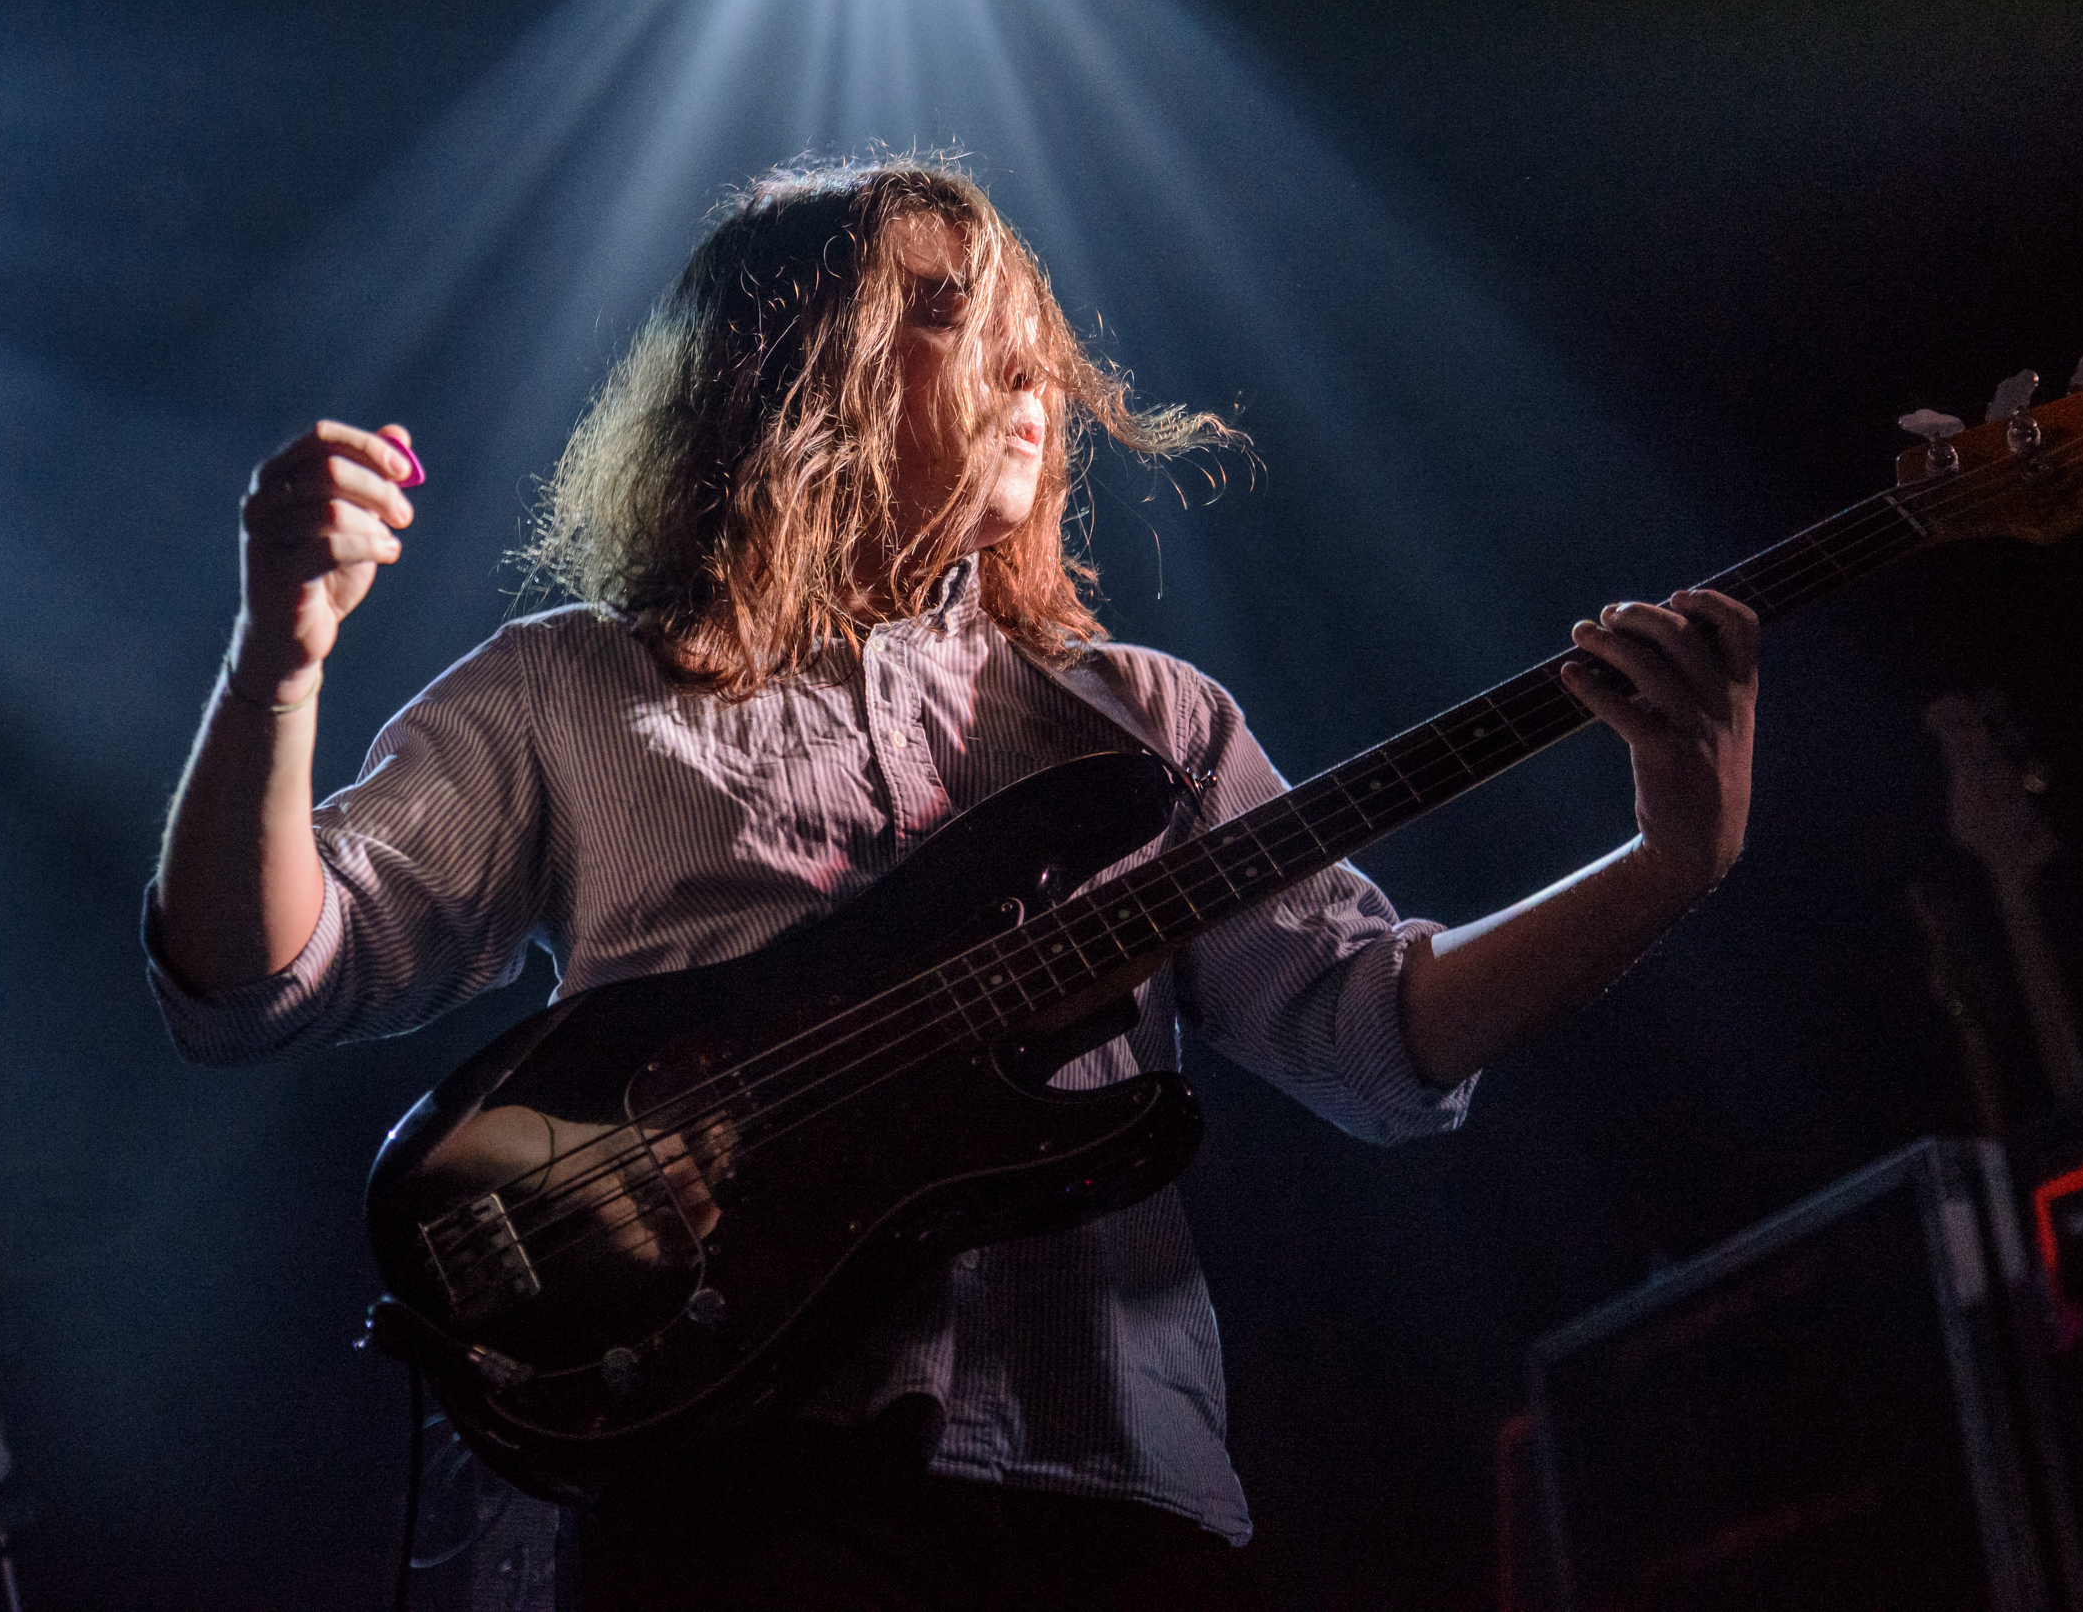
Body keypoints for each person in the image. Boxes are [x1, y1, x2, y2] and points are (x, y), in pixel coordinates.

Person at [147, 156, 1759, 1611]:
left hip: (1119, 1487)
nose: (1025, 366)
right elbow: (262, 972)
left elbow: (1370, 1026)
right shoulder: (573, 689)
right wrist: (277, 662)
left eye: (1024, 322)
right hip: (740, 1486)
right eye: (941, 310)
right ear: (787, 370)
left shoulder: (1145, 718)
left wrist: (1667, 863)